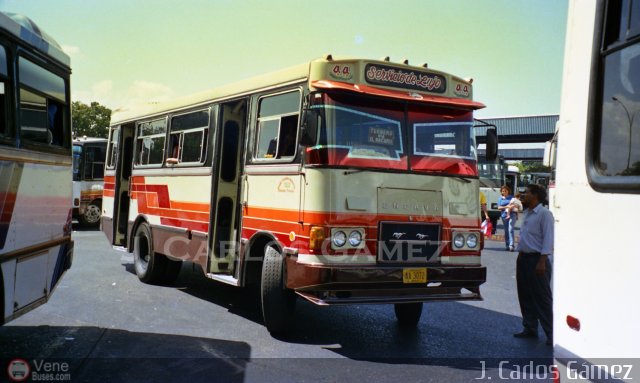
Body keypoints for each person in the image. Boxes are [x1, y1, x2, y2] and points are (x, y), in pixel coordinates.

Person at [513, 184, 554, 346]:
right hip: (523, 259)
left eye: (527, 193)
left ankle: (551, 333)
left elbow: (548, 239)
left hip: (537, 260)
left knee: (542, 298)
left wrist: (542, 261)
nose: (524, 195)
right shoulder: (528, 213)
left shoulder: (544, 214)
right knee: (525, 295)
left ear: (535, 195)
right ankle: (530, 328)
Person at [497, 186, 513, 250]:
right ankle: (507, 244)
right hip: (504, 216)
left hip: (512, 215)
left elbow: (515, 205)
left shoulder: (512, 197)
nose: (504, 192)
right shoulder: (500, 198)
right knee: (506, 230)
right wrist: (506, 207)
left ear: (508, 191)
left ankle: (511, 245)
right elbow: (499, 207)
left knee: (511, 229)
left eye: (505, 191)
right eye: (503, 191)